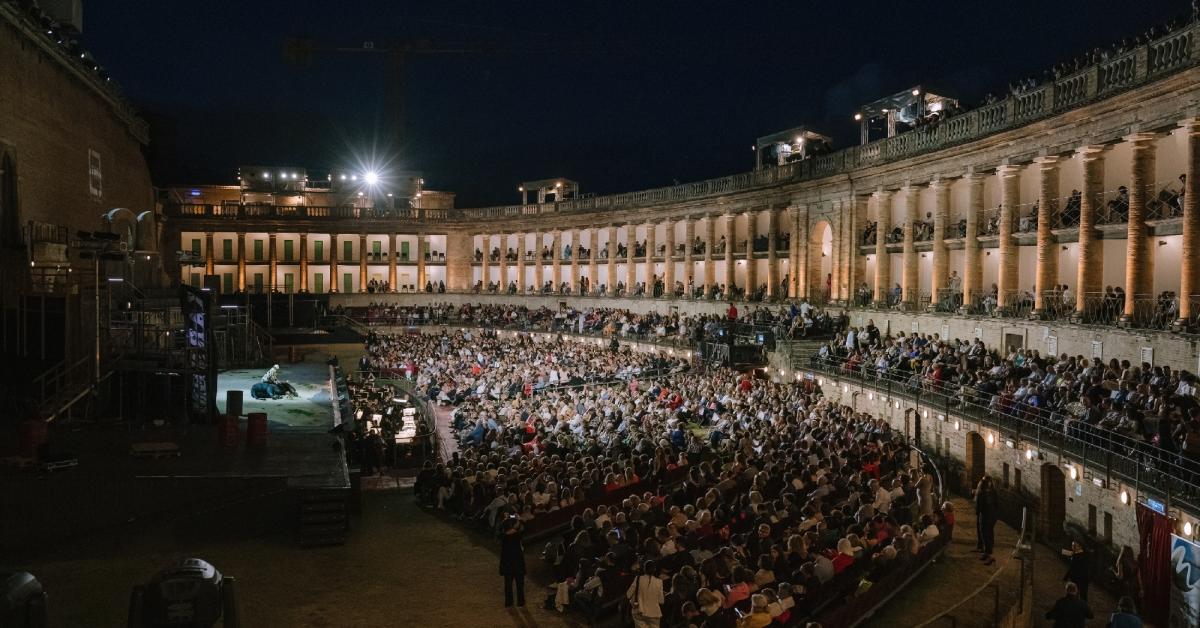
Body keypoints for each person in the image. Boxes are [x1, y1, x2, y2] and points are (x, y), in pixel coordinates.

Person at [627, 559, 665, 628]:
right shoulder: (659, 582)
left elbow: (628, 594)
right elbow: (661, 601)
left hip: (639, 611)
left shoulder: (638, 579)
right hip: (654, 613)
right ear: (654, 569)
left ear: (644, 569)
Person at [499, 517, 526, 607]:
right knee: (520, 584)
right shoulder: (518, 536)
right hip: (517, 562)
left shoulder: (503, 537)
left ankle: (509, 602)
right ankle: (521, 602)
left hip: (507, 562)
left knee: (508, 584)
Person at [974, 475, 999, 565]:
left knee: (985, 534)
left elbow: (978, 506)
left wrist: (977, 513)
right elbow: (997, 504)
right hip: (993, 516)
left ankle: (990, 555)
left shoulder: (982, 493)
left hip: (985, 516)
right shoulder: (993, 491)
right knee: (990, 533)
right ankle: (986, 552)